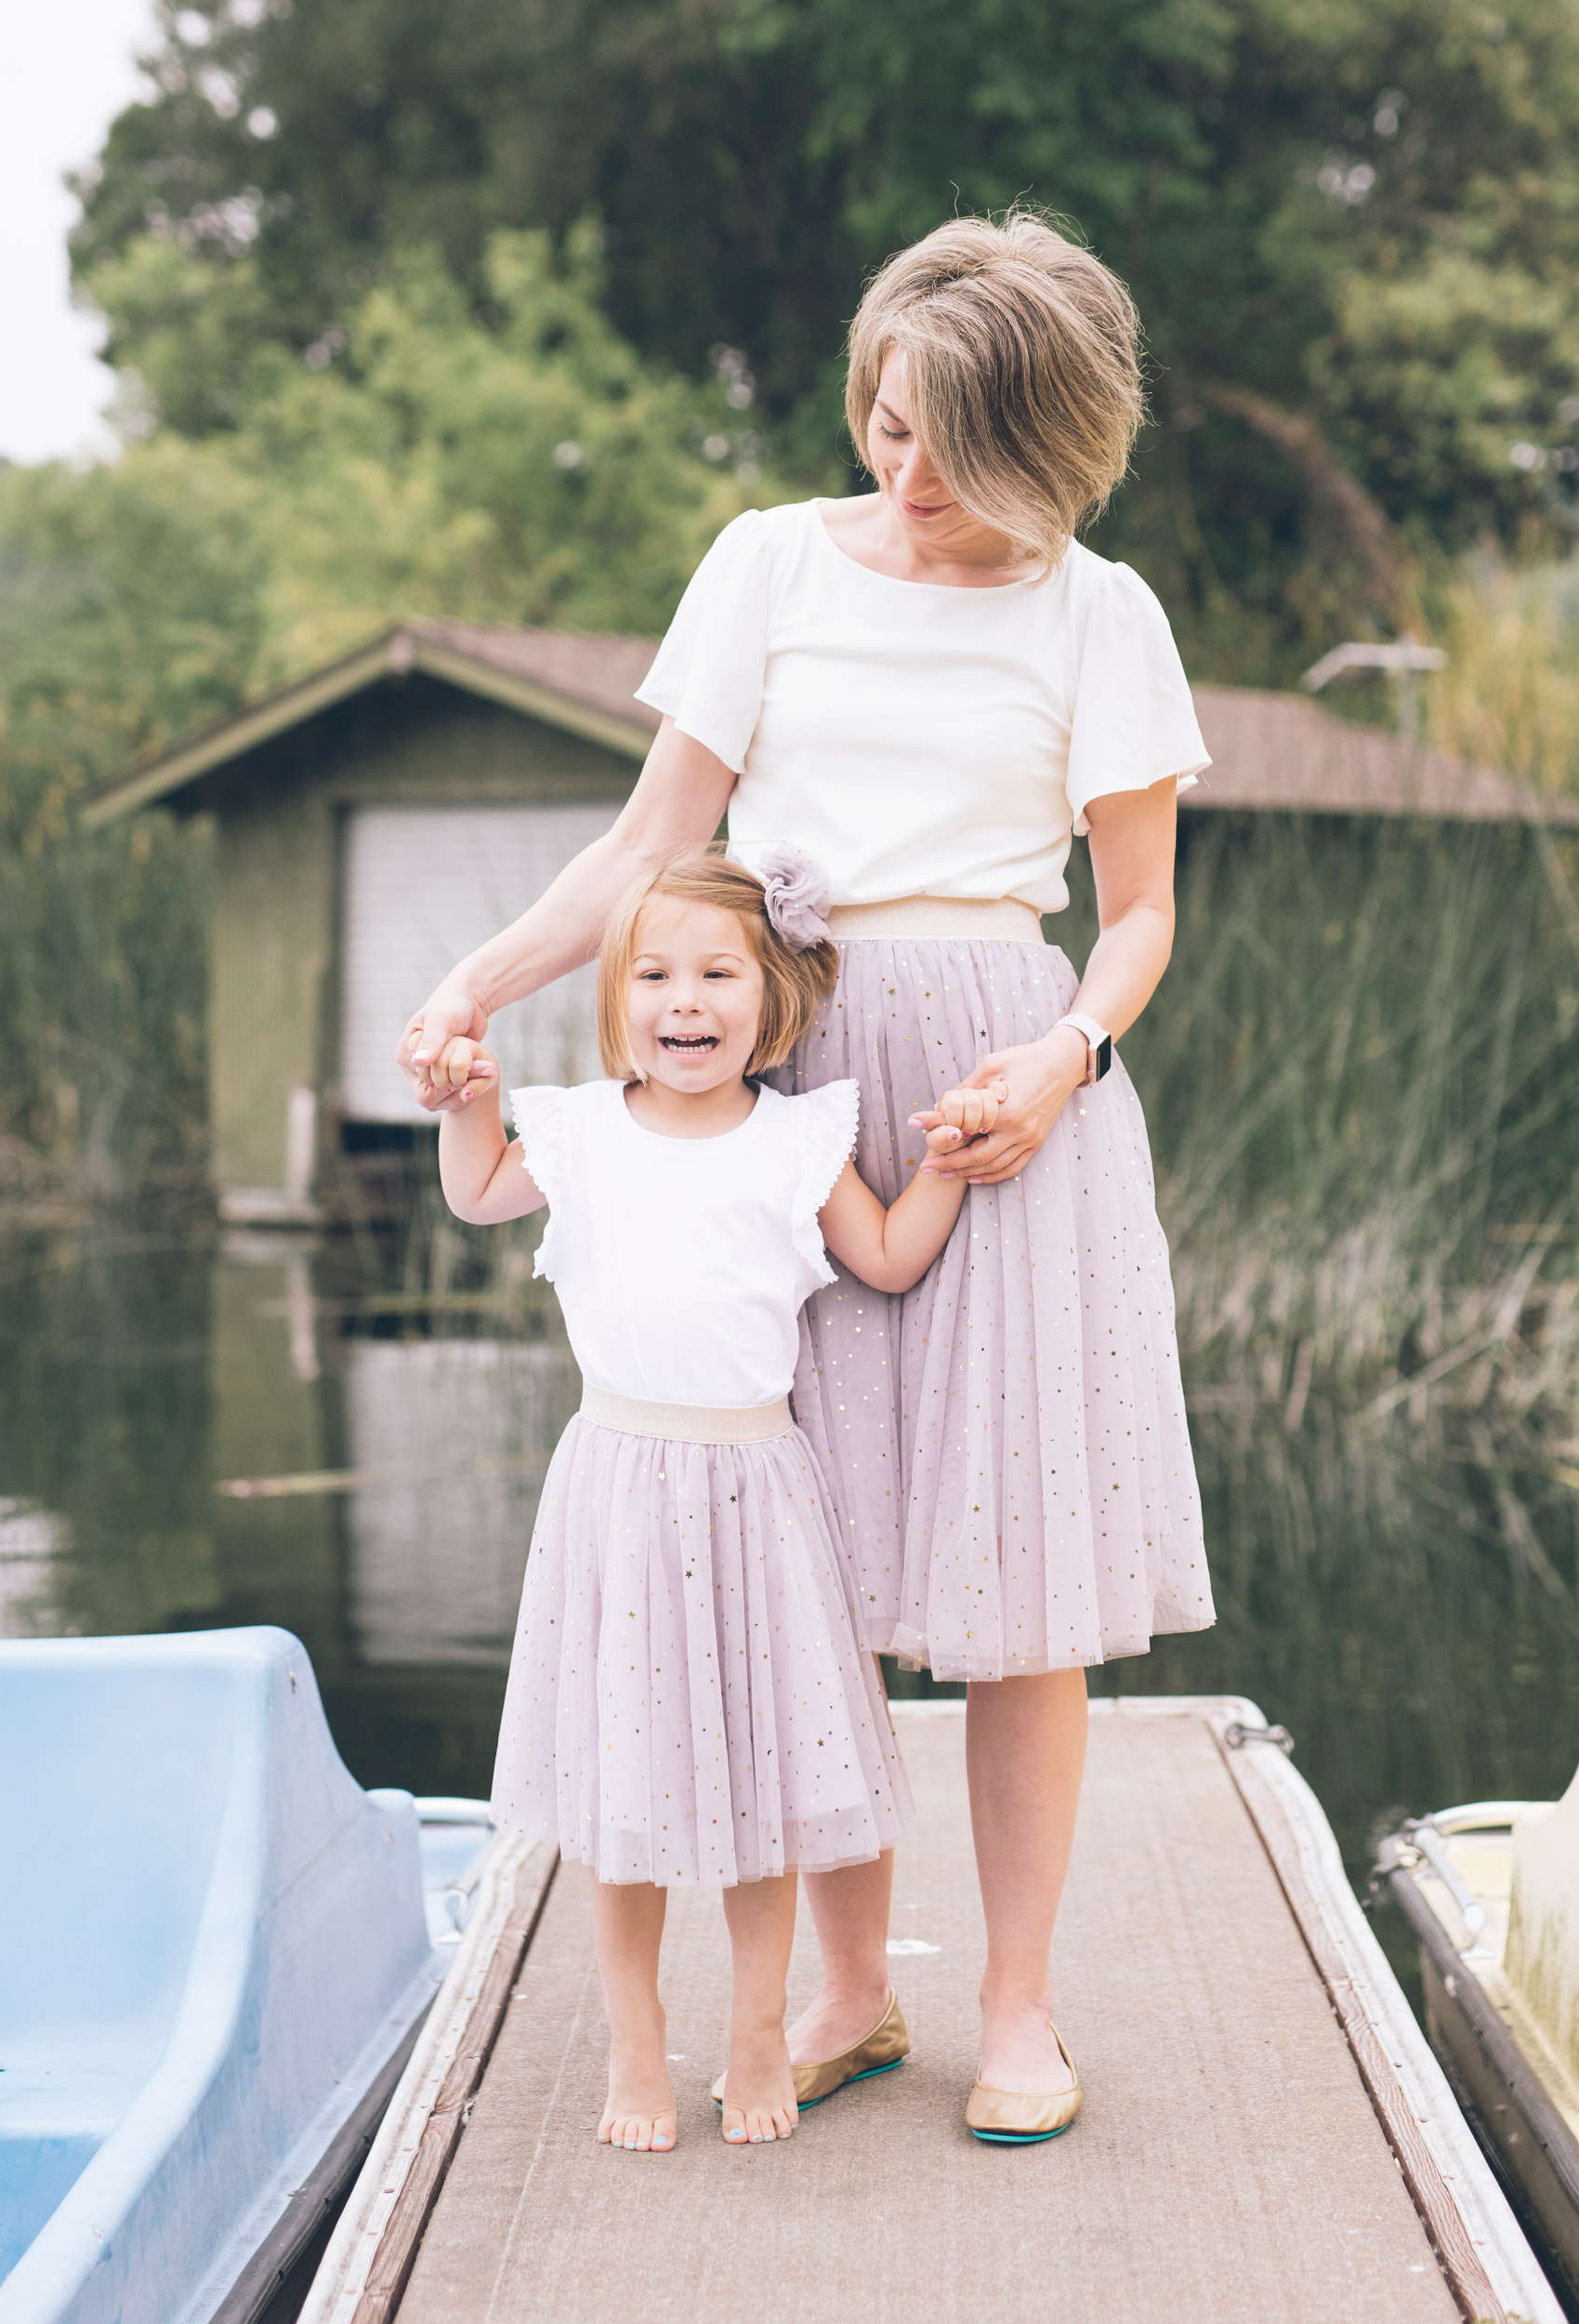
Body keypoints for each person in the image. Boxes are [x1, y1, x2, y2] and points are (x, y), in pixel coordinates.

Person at [404, 206, 1216, 2146]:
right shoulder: (764, 564)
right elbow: (646, 844)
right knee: (814, 1544)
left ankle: (1011, 2010)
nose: (903, 473)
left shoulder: (1102, 612)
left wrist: (1064, 1055)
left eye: (948, 441)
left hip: (1010, 1093)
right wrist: (481, 981)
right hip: (798, 1071)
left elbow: (1137, 915)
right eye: (880, 422)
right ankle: (847, 1990)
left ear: (1052, 443)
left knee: (1021, 1580)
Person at [434, 850, 996, 2153]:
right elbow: (475, 1191)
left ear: (770, 996)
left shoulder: (799, 1139)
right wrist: (471, 1097)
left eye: (715, 974)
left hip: (754, 1490)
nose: (684, 1001)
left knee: (761, 1787)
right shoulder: (575, 1127)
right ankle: (636, 2043)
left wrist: (956, 1162)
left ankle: (757, 2029)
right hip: (617, 1490)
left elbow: (892, 1259)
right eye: (655, 975)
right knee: (623, 1799)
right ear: (618, 997)